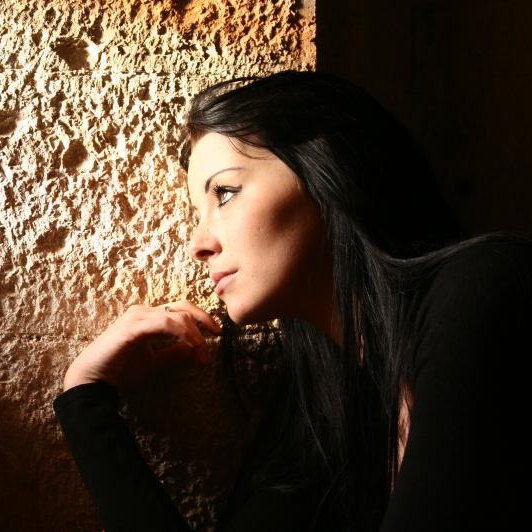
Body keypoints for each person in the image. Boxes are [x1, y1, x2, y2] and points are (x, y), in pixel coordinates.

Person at [53, 70, 531, 531]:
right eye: (199, 211)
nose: (198, 244)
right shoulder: (323, 404)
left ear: (328, 170)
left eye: (225, 193)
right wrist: (84, 397)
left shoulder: (484, 288)